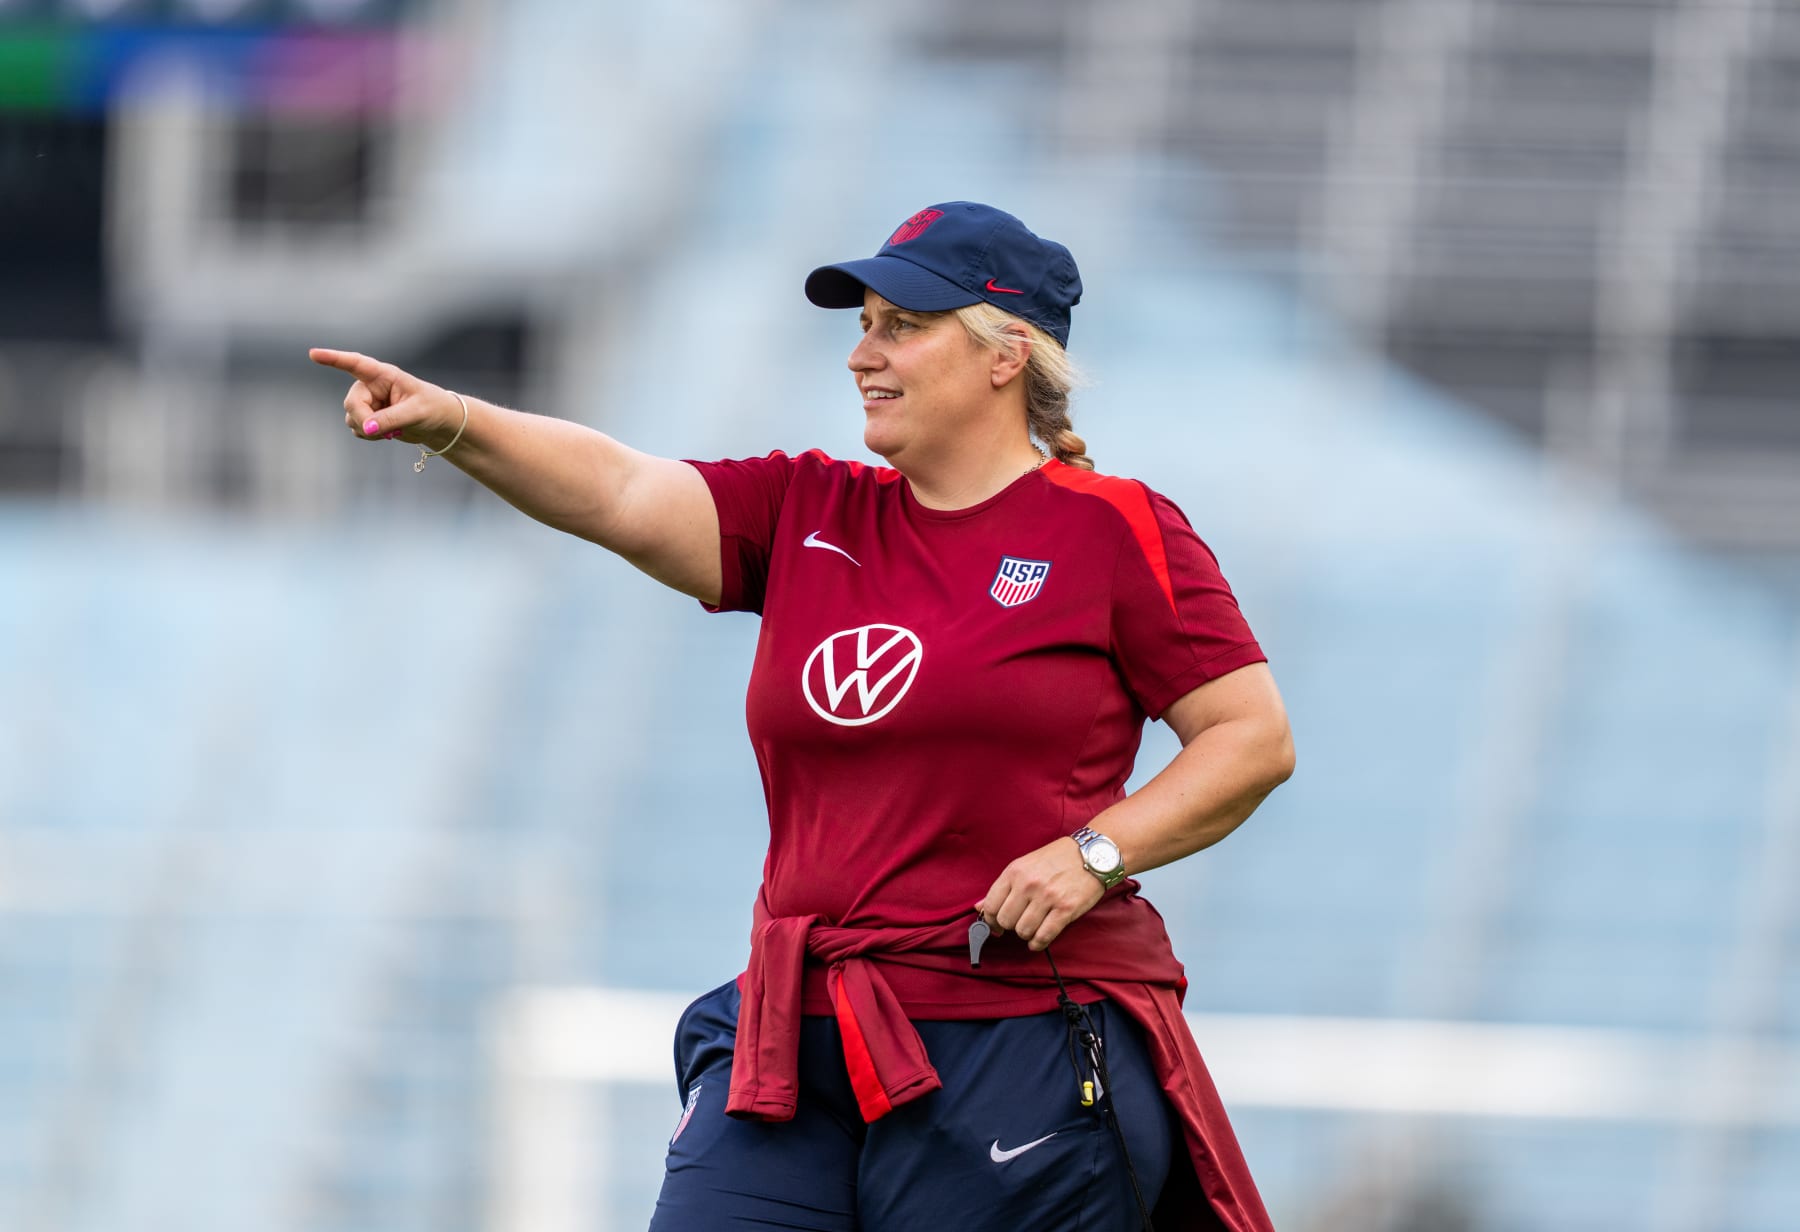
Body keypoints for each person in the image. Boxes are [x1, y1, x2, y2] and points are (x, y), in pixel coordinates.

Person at [312, 201, 1293, 1231]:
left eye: (901, 325)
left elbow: (1252, 736)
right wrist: (455, 420)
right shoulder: (808, 509)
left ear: (1005, 355)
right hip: (798, 1033)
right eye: (862, 324)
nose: (864, 354)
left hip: (1017, 1037)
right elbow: (619, 490)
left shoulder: (1113, 528)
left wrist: (1092, 853)